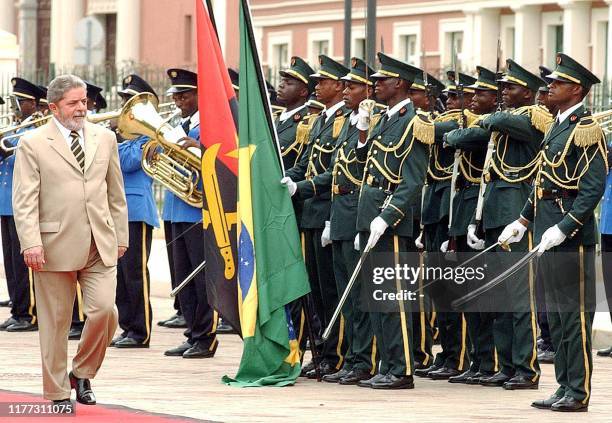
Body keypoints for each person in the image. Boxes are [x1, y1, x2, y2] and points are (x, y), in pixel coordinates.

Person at [12, 74, 128, 407]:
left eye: (84, 101)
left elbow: (115, 193)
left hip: (99, 242)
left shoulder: (104, 138)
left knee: (105, 311)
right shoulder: (33, 143)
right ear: (53, 107)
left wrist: (120, 234)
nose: (82, 108)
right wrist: (30, 242)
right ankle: (58, 391)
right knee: (56, 323)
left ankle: (82, 370)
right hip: (51, 246)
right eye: (73, 103)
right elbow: (24, 199)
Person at [501, 53, 606, 412]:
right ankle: (563, 386)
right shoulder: (558, 125)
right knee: (558, 320)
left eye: (558, 83)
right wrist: (523, 221)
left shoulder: (586, 128)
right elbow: (543, 183)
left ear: (577, 89)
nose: (550, 87)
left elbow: (591, 189)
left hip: (570, 238)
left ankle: (578, 391)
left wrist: (564, 228)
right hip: (547, 230)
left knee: (574, 318)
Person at [354, 53, 431, 389]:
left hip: (393, 221)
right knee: (378, 298)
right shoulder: (385, 119)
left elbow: (413, 181)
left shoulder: (415, 122)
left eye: (381, 81)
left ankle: (401, 370)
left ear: (399, 83)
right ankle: (388, 364)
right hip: (372, 215)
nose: (375, 85)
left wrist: (386, 217)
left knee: (394, 299)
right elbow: (368, 167)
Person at [471, 60, 549, 390]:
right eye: (502, 88)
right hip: (494, 216)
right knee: (499, 299)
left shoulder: (531, 120)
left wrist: (487, 115)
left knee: (519, 300)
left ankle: (526, 368)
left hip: (516, 217)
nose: (504, 92)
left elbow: (499, 118)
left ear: (528, 93)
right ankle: (505, 364)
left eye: (510, 88)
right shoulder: (508, 124)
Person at [282, 55, 350, 378]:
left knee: (331, 292)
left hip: (325, 212)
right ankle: (321, 352)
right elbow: (305, 162)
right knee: (316, 293)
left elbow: (336, 173)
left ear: (337, 86)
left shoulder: (343, 122)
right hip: (310, 215)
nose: (316, 86)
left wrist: (302, 187)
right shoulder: (320, 121)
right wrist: (284, 179)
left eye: (322, 82)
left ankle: (336, 354)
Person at [443, 66, 500, 384]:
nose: (472, 98)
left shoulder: (491, 127)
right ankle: (478, 360)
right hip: (462, 213)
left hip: (478, 216)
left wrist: (453, 134)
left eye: (480, 93)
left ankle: (487, 359)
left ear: (496, 97)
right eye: (471, 93)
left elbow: (469, 137)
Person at [162, 68, 219, 358]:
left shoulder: (210, 125)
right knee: (181, 277)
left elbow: (223, 159)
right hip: (175, 209)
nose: (178, 100)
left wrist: (200, 149)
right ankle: (192, 333)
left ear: (199, 95)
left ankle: (205, 337)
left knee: (200, 278)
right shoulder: (178, 124)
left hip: (199, 212)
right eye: (176, 95)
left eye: (184, 95)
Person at [111, 75, 160, 348]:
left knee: (134, 272)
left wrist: (110, 140)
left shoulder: (148, 140)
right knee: (119, 274)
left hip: (136, 211)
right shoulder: (123, 140)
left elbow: (128, 163)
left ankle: (141, 332)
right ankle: (127, 327)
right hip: (117, 212)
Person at [0, 77, 45, 332]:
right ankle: (18, 309)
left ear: (32, 103)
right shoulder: (17, 128)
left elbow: (30, 156)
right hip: (6, 203)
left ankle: (29, 313)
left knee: (23, 262)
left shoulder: (36, 129)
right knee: (11, 263)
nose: (16, 105)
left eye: (20, 101)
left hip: (23, 204)